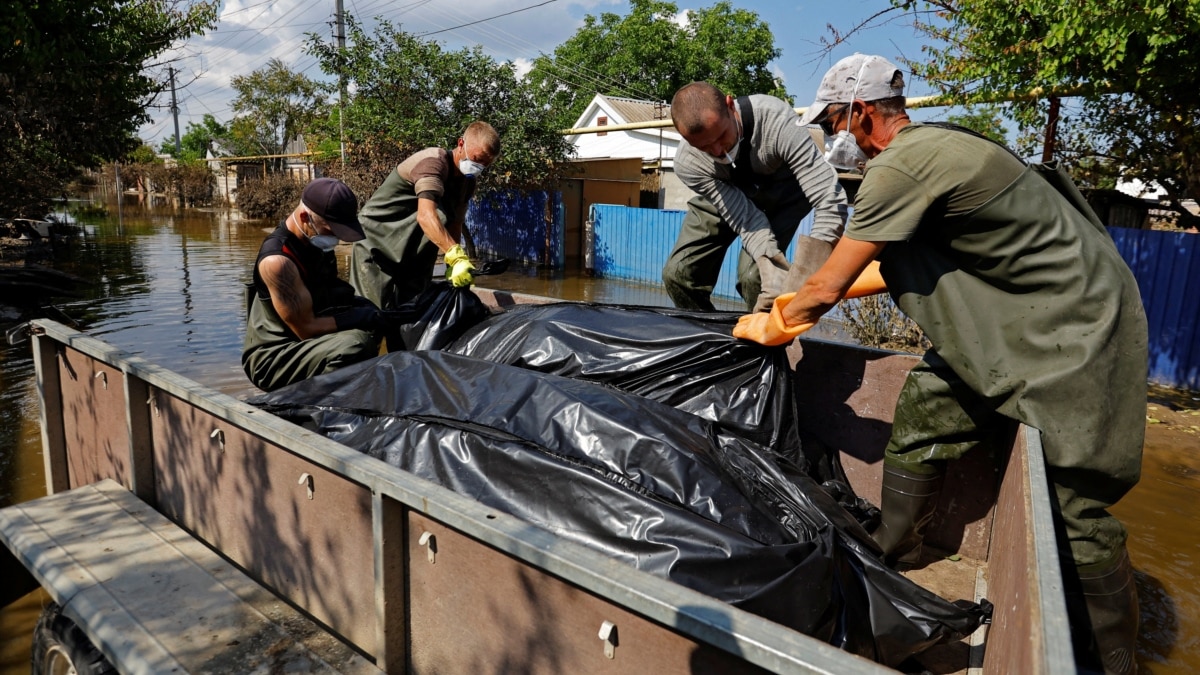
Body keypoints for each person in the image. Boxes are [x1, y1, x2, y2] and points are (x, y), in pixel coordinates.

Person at [735, 54, 1147, 674]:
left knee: (1074, 499)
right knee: (929, 402)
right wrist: (804, 297)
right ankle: (895, 550)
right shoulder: (929, 150)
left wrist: (774, 322)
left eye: (834, 121)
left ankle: (1116, 661)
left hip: (1075, 321)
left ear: (863, 112)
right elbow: (875, 267)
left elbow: (831, 285)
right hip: (1011, 317)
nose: (830, 136)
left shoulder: (900, 166)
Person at [664, 81, 849, 312]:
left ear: (730, 106)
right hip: (726, 194)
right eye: (704, 147)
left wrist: (807, 276)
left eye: (722, 135)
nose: (718, 151)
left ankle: (770, 343)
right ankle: (710, 341)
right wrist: (764, 252)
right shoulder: (689, 163)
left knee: (755, 278)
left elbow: (828, 198)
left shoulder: (777, 121)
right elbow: (744, 217)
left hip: (783, 194)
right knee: (678, 275)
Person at [349, 121, 500, 349]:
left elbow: (455, 224)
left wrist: (453, 265)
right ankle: (356, 378)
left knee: (410, 324)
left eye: (485, 164)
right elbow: (426, 216)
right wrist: (455, 254)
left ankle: (400, 375)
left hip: (414, 256)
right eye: (477, 159)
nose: (479, 167)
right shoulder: (432, 162)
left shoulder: (467, 184)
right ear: (461, 144)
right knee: (369, 325)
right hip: (377, 247)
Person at [243, 177, 389, 392]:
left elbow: (328, 297)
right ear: (305, 217)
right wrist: (355, 318)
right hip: (274, 357)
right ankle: (317, 407)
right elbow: (306, 329)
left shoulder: (316, 244)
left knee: (372, 318)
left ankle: (351, 393)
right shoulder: (278, 261)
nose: (337, 240)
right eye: (331, 231)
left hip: (304, 342)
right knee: (356, 344)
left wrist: (374, 313)